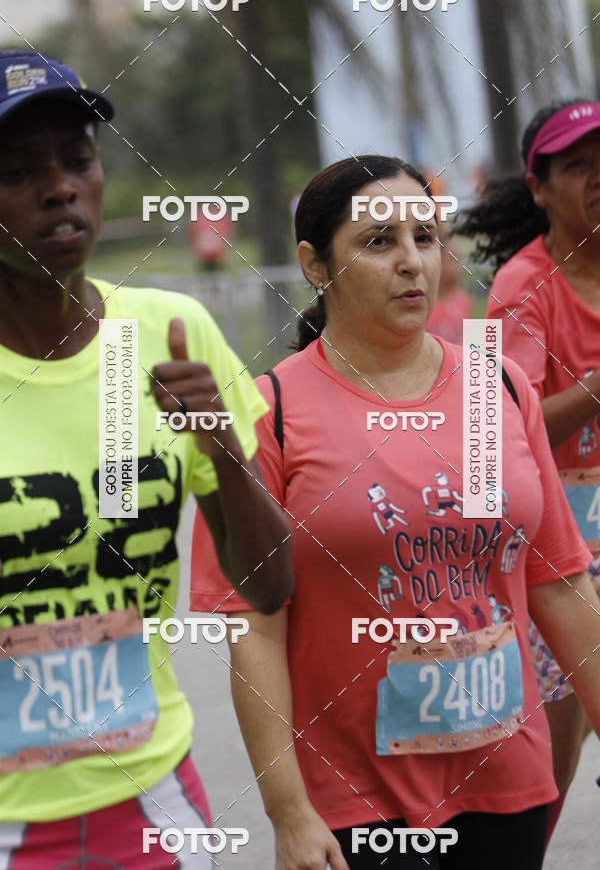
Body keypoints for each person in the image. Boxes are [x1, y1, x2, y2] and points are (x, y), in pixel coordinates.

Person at [190, 154, 600, 869]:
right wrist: (289, 814)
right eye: (379, 242)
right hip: (355, 806)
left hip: (509, 784)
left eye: (425, 236)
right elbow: (255, 629)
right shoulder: (273, 412)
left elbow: (558, 584)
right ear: (315, 266)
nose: (413, 262)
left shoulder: (488, 390)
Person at [0, 50, 293, 866]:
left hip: (153, 804)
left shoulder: (164, 336)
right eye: (17, 170)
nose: (58, 188)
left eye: (77, 160)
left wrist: (223, 449)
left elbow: (269, 584)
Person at [459, 98, 600, 844]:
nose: (598, 179)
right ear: (539, 186)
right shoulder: (518, 288)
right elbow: (490, 438)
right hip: (559, 562)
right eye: (579, 165)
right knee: (550, 765)